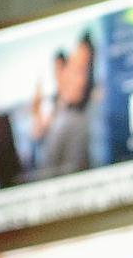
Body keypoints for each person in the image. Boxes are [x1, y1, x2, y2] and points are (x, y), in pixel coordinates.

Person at [30, 32, 102, 178]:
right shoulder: (58, 106)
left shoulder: (84, 118)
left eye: (81, 70)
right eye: (72, 67)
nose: (63, 76)